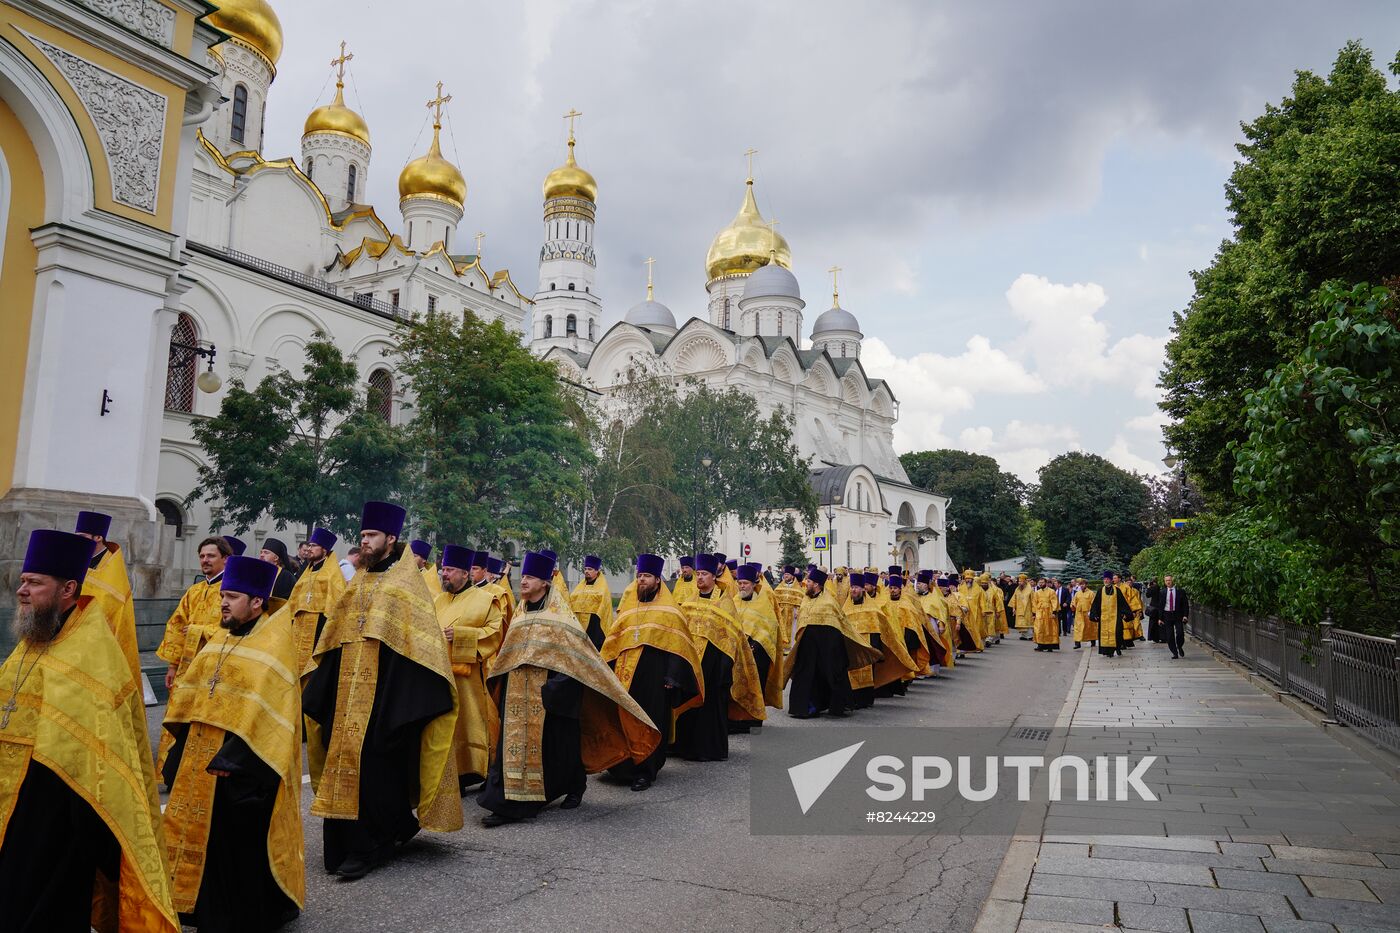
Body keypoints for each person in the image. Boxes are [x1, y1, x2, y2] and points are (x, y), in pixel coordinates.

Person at [0, 529, 179, 932]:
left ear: (68, 589)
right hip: (14, 805)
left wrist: (95, 842)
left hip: (60, 820)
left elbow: (103, 753)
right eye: (23, 581)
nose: (22, 591)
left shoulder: (92, 650)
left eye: (34, 582)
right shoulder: (32, 639)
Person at [301, 501, 461, 880]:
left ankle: (373, 845)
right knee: (347, 763)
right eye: (362, 536)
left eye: (371, 536)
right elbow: (337, 635)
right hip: (346, 694)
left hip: (387, 696)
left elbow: (419, 646)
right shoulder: (359, 581)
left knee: (376, 769)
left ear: (390, 539)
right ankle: (371, 836)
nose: (365, 542)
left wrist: (394, 703)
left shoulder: (406, 585)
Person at [161, 554, 303, 931]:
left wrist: (235, 761)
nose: (223, 602)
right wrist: (178, 753)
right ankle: (199, 906)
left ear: (257, 602)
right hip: (198, 758)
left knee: (236, 845)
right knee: (203, 842)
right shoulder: (217, 641)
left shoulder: (274, 648)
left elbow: (271, 713)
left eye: (233, 596)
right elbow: (191, 699)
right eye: (224, 595)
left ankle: (241, 915)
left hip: (242, 768)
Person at [478, 551, 660, 824]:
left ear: (545, 583)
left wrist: (553, 689)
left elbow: (577, 658)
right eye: (523, 577)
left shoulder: (561, 618)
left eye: (529, 578)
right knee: (513, 748)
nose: (523, 582)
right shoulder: (520, 614)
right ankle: (509, 801)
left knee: (561, 745)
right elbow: (509, 653)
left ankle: (574, 787)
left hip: (552, 694)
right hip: (517, 693)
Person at [601, 554, 703, 790]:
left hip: (655, 679)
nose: (641, 581)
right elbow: (613, 643)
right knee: (624, 719)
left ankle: (645, 771)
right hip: (626, 677)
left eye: (646, 576)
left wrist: (672, 676)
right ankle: (623, 766)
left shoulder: (670, 611)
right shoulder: (628, 609)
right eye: (639, 576)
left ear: (658, 580)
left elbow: (679, 647)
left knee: (651, 721)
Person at [673, 554, 764, 759]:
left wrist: (725, 670)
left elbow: (732, 640)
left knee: (711, 708)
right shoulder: (688, 603)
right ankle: (685, 747)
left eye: (704, 574)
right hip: (692, 664)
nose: (700, 578)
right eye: (699, 574)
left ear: (714, 577)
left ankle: (709, 749)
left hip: (714, 667)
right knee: (690, 704)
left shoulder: (725, 604)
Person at [156, 535, 232, 772]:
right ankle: (172, 769)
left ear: (225, 559)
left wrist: (200, 630)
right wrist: (172, 664)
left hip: (213, 669)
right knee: (178, 717)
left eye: (211, 555)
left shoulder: (230, 592)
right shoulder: (194, 591)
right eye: (201, 556)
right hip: (186, 668)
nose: (205, 560)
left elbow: (233, 629)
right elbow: (176, 627)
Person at [435, 546, 504, 794]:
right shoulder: (437, 600)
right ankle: (448, 773)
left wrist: (464, 636)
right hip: (440, 673)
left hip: (469, 678)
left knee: (470, 724)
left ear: (465, 574)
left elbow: (495, 632)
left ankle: (474, 772)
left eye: (450, 570)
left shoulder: (485, 600)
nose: (445, 574)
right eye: (443, 569)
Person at [285, 526, 346, 791]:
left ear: (326, 549)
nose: (308, 548)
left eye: (313, 545)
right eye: (307, 545)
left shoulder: (333, 574)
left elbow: (334, 612)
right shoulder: (306, 572)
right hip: (298, 636)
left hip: (316, 639)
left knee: (313, 693)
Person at [784, 568, 882, 719]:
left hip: (827, 647)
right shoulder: (806, 599)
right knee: (805, 675)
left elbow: (839, 625)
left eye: (808, 582)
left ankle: (836, 705)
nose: (806, 584)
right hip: (806, 646)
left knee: (832, 673)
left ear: (816, 584)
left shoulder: (829, 602)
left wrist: (833, 650)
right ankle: (804, 708)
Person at [74, 510, 142, 688]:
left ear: (98, 537)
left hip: (102, 642)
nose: (78, 541)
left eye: (82, 536)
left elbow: (110, 606)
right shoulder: (78, 560)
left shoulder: (112, 567)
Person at [733, 563, 785, 726]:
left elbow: (769, 627)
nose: (742, 586)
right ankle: (736, 720)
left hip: (757, 652)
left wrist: (755, 643)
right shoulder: (734, 601)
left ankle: (754, 719)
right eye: (740, 583)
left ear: (754, 584)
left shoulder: (762, 603)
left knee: (755, 687)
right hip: (737, 652)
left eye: (745, 583)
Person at [569, 554, 615, 650]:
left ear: (597, 571)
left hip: (596, 629)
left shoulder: (602, 587)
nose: (586, 571)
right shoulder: (580, 587)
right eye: (585, 569)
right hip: (580, 627)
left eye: (590, 569)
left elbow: (604, 609)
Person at [1090, 572, 1135, 658]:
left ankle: (1117, 648)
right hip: (1104, 618)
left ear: (1111, 580)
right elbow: (1095, 604)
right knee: (1105, 634)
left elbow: (1122, 603)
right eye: (1104, 579)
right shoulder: (1100, 590)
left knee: (1117, 632)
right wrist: (1094, 614)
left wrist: (1126, 614)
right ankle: (1107, 651)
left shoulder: (1117, 590)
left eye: (1107, 579)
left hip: (1115, 616)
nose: (1106, 580)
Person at [1150, 575, 1190, 659]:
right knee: (1169, 635)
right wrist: (1160, 618)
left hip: (1177, 615)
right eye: (1166, 581)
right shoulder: (1162, 592)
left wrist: (1185, 615)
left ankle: (1179, 646)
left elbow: (1185, 605)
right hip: (1167, 615)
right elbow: (1160, 606)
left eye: (1169, 580)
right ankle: (1174, 652)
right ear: (1164, 582)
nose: (1168, 582)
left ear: (1173, 581)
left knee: (1180, 633)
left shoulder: (1180, 591)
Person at [1031, 578, 1060, 651]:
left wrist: (1054, 612)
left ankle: (1050, 646)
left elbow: (1054, 602)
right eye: (1039, 582)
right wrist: (1034, 613)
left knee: (1049, 629)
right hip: (1039, 612)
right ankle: (1040, 645)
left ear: (1046, 583)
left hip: (1049, 612)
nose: (1041, 584)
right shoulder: (1037, 592)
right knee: (1039, 628)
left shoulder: (1051, 591)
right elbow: (1034, 603)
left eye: (1042, 582)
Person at [1071, 578, 1097, 649]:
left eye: (1083, 584)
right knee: (1078, 628)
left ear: (1086, 585)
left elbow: (1094, 603)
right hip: (1079, 614)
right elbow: (1074, 601)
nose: (1082, 586)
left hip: (1087, 613)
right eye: (1080, 584)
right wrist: (1072, 606)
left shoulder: (1091, 593)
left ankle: (1093, 641)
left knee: (1090, 628)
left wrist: (1092, 612)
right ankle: (1077, 643)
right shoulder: (1077, 593)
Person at [1010, 574, 1034, 640]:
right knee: (1021, 623)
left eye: (1021, 582)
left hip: (1027, 609)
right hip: (1019, 608)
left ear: (1025, 582)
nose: (1020, 583)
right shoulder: (1017, 589)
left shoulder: (1030, 590)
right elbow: (1014, 599)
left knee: (1027, 622)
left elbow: (1033, 600)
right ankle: (1023, 635)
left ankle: (1030, 636)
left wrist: (1034, 610)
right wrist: (1013, 608)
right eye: (1019, 582)